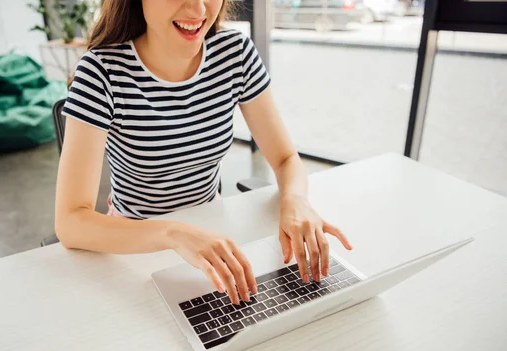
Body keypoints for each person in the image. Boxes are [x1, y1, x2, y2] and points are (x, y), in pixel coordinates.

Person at [55, 0, 352, 306]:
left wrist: (296, 200)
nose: (198, 10)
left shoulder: (233, 53)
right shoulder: (102, 71)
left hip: (213, 234)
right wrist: (174, 234)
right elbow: (70, 223)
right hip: (135, 244)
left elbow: (286, 159)